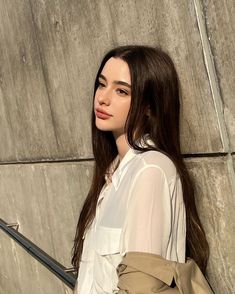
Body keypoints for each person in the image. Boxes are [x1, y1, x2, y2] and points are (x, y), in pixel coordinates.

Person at [72, 45, 211, 293]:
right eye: (102, 84)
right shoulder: (112, 174)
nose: (103, 97)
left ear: (149, 107)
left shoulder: (150, 170)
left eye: (121, 91)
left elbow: (141, 287)